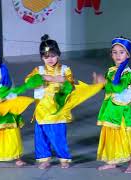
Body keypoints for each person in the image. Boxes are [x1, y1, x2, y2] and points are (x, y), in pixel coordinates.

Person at [25, 34, 104, 169]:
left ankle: (64, 158)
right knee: (41, 137)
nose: (50, 59)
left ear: (58, 54)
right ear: (42, 57)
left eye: (53, 55)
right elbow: (28, 81)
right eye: (46, 56)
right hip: (42, 110)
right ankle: (44, 159)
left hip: (58, 111)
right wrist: (46, 77)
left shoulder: (65, 69)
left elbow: (70, 83)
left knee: (58, 136)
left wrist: (52, 79)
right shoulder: (39, 70)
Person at [0, 44, 37, 167]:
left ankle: (17, 157)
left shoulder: (3, 75)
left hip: (7, 109)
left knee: (11, 134)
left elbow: (4, 91)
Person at [96, 37, 131, 173]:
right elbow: (107, 88)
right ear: (111, 54)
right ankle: (112, 161)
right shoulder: (111, 70)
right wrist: (99, 84)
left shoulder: (128, 74)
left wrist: (104, 83)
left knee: (125, 136)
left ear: (128, 55)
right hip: (110, 108)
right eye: (115, 52)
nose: (118, 55)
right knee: (110, 134)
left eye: (122, 52)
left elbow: (118, 87)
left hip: (122, 111)